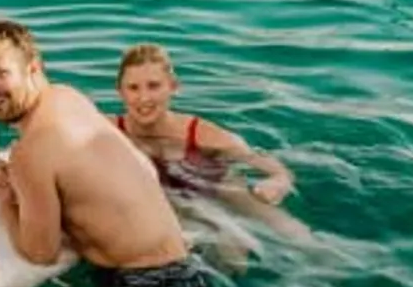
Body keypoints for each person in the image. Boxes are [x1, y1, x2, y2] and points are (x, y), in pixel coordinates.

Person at [0, 20, 325, 287]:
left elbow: (40, 252)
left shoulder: (32, 151)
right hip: (180, 257)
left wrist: (6, 197)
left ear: (33, 68)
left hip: (146, 277)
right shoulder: (68, 98)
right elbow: (87, 179)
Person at [113, 43, 313, 243]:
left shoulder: (200, 133)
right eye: (133, 88)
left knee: (291, 232)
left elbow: (258, 160)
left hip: (209, 187)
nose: (143, 97)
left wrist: (279, 179)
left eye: (154, 86)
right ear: (120, 91)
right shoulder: (107, 129)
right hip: (161, 203)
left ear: (173, 87)